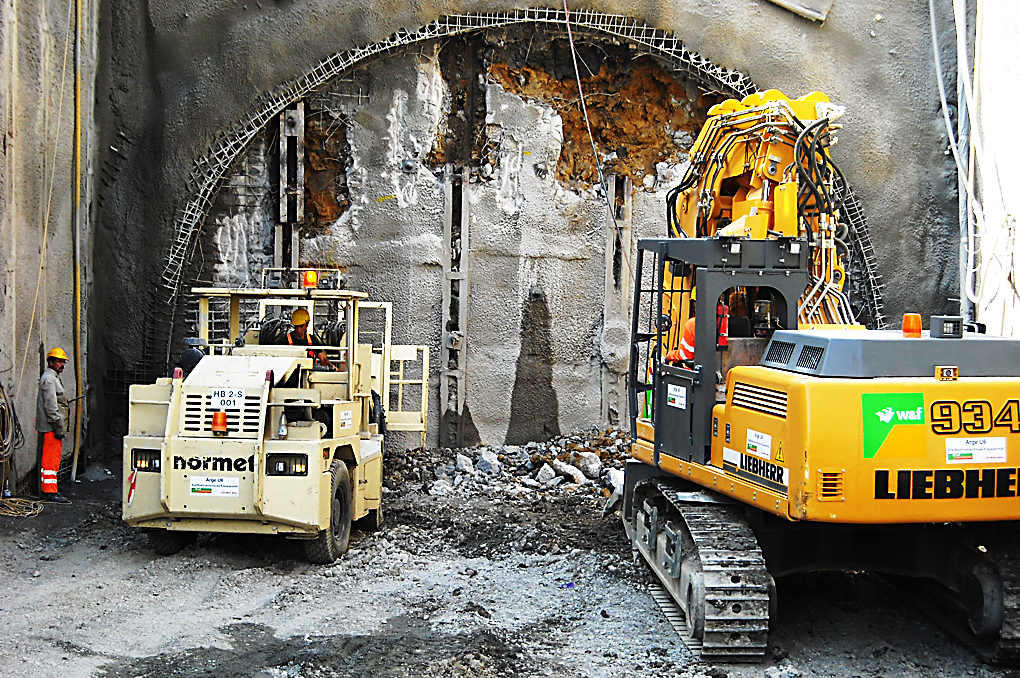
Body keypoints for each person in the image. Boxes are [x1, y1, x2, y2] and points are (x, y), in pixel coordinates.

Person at [36, 347, 70, 503]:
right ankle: (49, 491)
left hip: (53, 426)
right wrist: (57, 426)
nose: (61, 364)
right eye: (58, 361)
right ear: (50, 362)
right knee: (50, 460)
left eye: (63, 361)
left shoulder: (53, 377)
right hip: (52, 427)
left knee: (53, 459)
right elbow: (51, 406)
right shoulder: (49, 379)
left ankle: (50, 489)